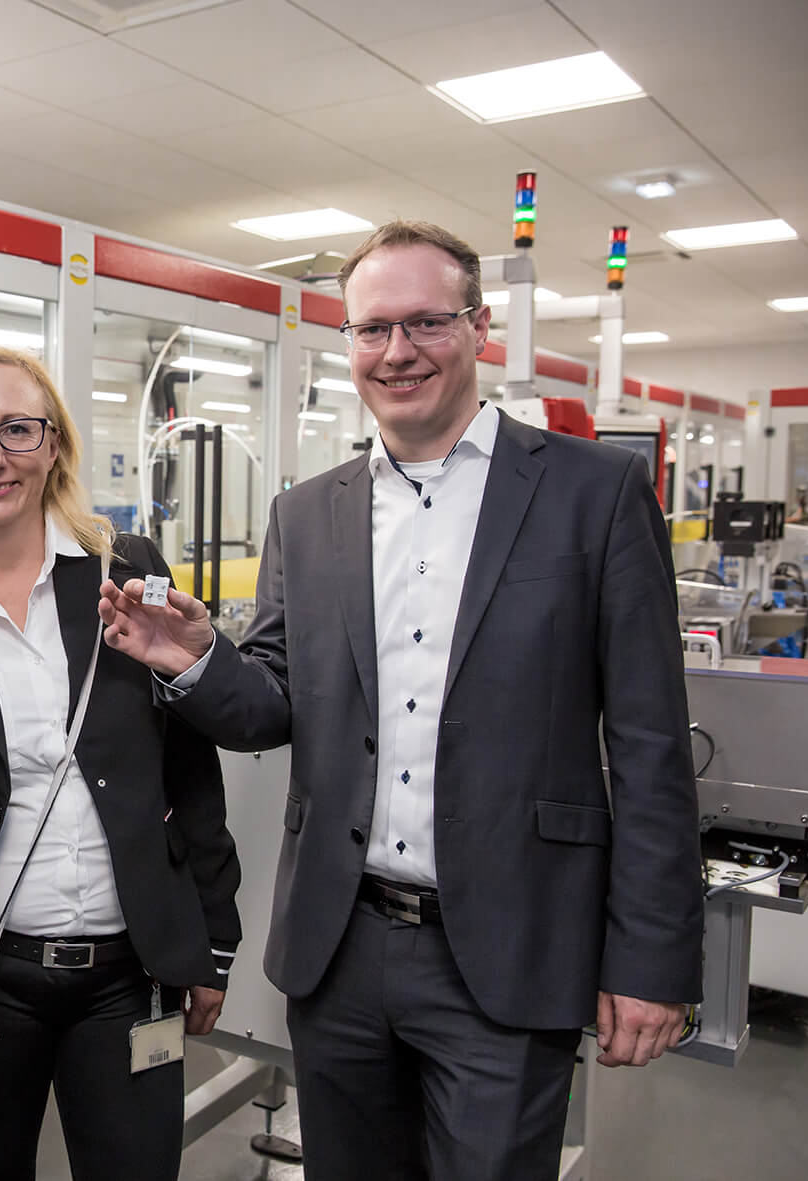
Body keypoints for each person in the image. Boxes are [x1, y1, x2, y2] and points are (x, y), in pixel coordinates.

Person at [99, 220, 704, 1181]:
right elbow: (272, 707)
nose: (398, 351)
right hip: (342, 949)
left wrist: (652, 959)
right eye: (373, 329)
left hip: (509, 950)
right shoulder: (310, 511)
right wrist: (196, 660)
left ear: (479, 327)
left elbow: (650, 748)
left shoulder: (597, 493)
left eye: (426, 322)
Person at [0, 342, 241, 1181]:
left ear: (54, 443)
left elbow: (186, 767)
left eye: (19, 429)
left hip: (129, 975)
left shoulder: (124, 572)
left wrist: (214, 936)